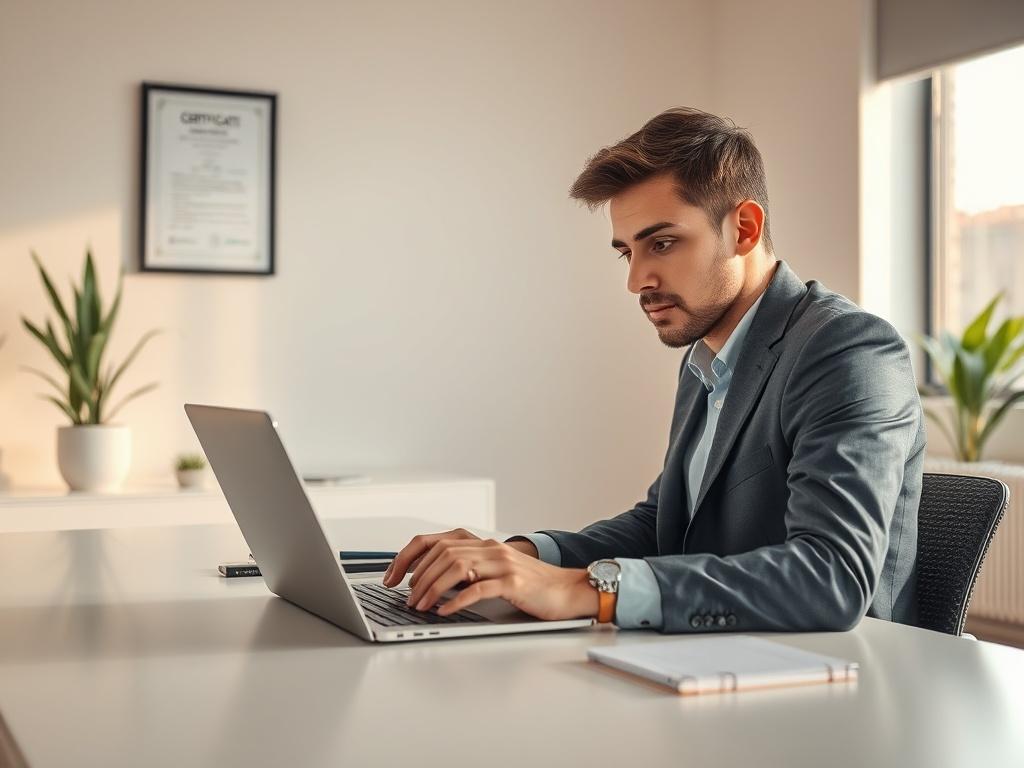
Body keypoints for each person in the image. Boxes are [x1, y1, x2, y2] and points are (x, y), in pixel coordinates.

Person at [383, 107, 924, 633]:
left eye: (662, 244)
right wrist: (519, 557)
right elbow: (662, 525)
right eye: (627, 252)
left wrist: (581, 590)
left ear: (744, 229)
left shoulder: (847, 349)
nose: (636, 280)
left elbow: (831, 577)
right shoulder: (705, 361)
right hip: (721, 657)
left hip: (842, 669)